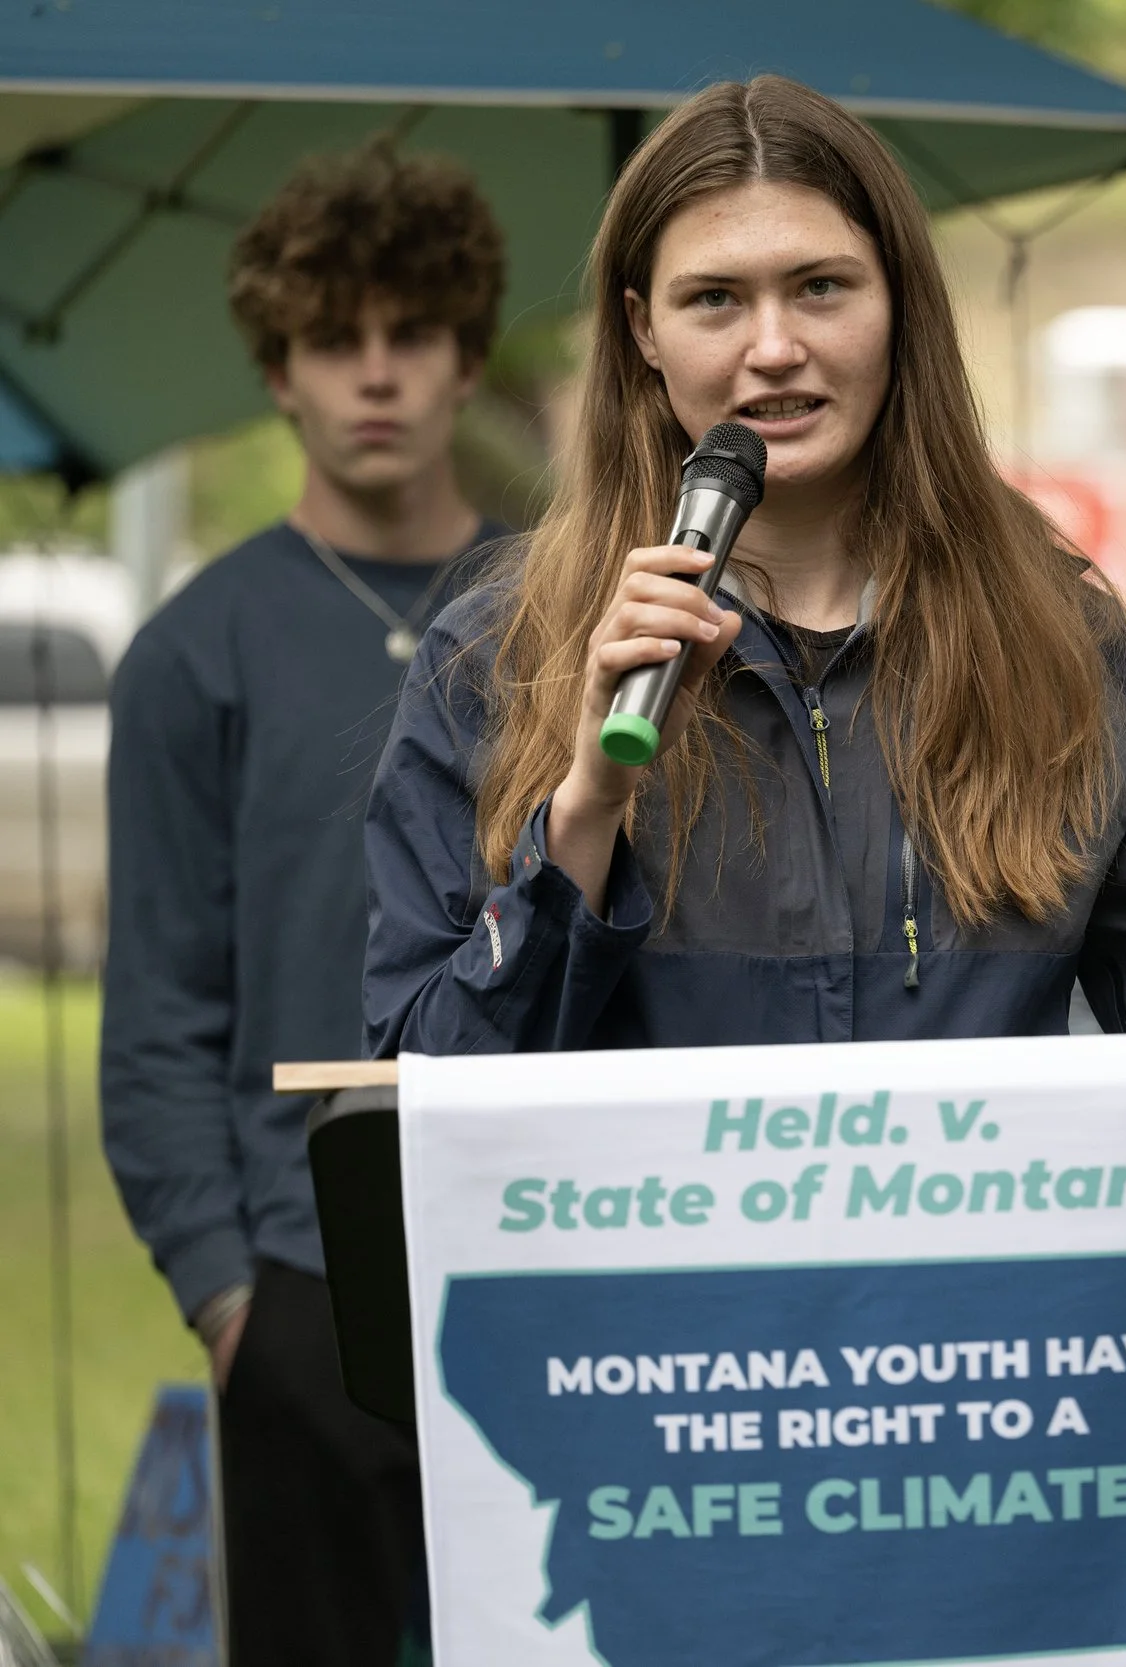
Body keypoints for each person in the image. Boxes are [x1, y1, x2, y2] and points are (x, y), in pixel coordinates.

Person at [361, 76, 1126, 1072]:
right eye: (715, 299)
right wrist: (584, 816)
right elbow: (416, 1100)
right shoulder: (498, 659)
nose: (774, 346)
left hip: (974, 1286)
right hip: (654, 1290)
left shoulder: (1069, 655)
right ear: (642, 331)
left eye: (820, 286)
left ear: (898, 305)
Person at [101, 141, 510, 1664]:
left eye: (413, 332)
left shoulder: (573, 611)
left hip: (549, 1244)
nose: (376, 373)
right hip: (301, 1279)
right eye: (335, 339)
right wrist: (227, 1300)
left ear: (470, 354)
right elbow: (156, 1012)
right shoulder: (191, 653)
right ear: (279, 371)